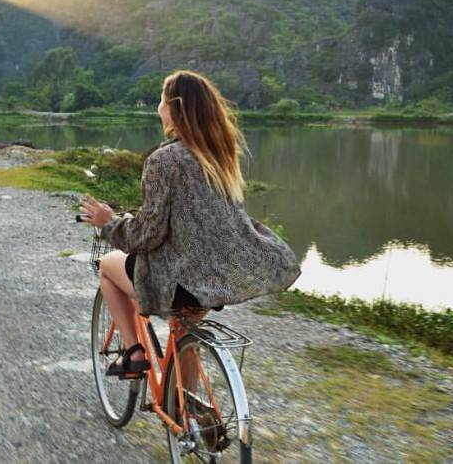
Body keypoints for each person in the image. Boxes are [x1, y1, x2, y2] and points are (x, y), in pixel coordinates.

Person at [78, 70, 300, 377]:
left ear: (173, 107)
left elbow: (147, 235)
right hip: (220, 275)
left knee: (107, 267)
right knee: (184, 336)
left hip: (182, 281)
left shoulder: (164, 160)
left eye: (160, 100)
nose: (158, 107)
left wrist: (108, 223)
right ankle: (193, 419)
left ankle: (133, 353)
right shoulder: (220, 155)